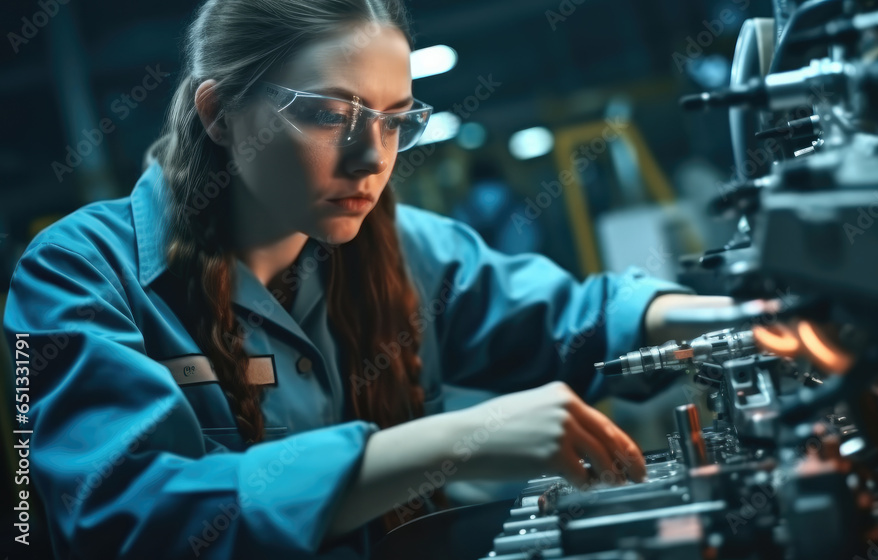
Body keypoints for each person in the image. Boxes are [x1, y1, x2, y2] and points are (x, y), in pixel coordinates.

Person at [2, 0, 731, 558]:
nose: (370, 160)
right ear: (220, 114)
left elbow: (572, 317)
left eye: (393, 121)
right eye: (330, 115)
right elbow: (121, 515)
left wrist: (718, 316)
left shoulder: (405, 251)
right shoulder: (78, 275)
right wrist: (453, 442)